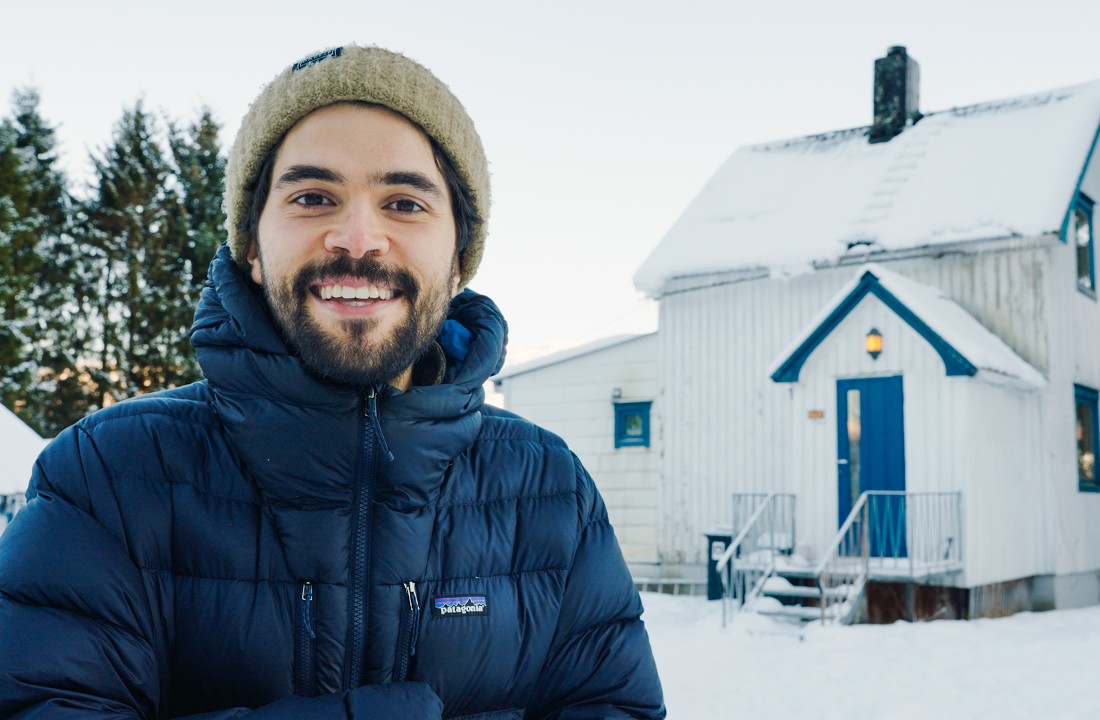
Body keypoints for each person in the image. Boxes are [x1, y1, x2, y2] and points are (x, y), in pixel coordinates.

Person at [0, 46, 665, 719]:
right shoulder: (106, 479)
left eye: (404, 203)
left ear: (459, 257)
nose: (356, 238)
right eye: (313, 197)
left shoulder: (550, 491)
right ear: (252, 247)